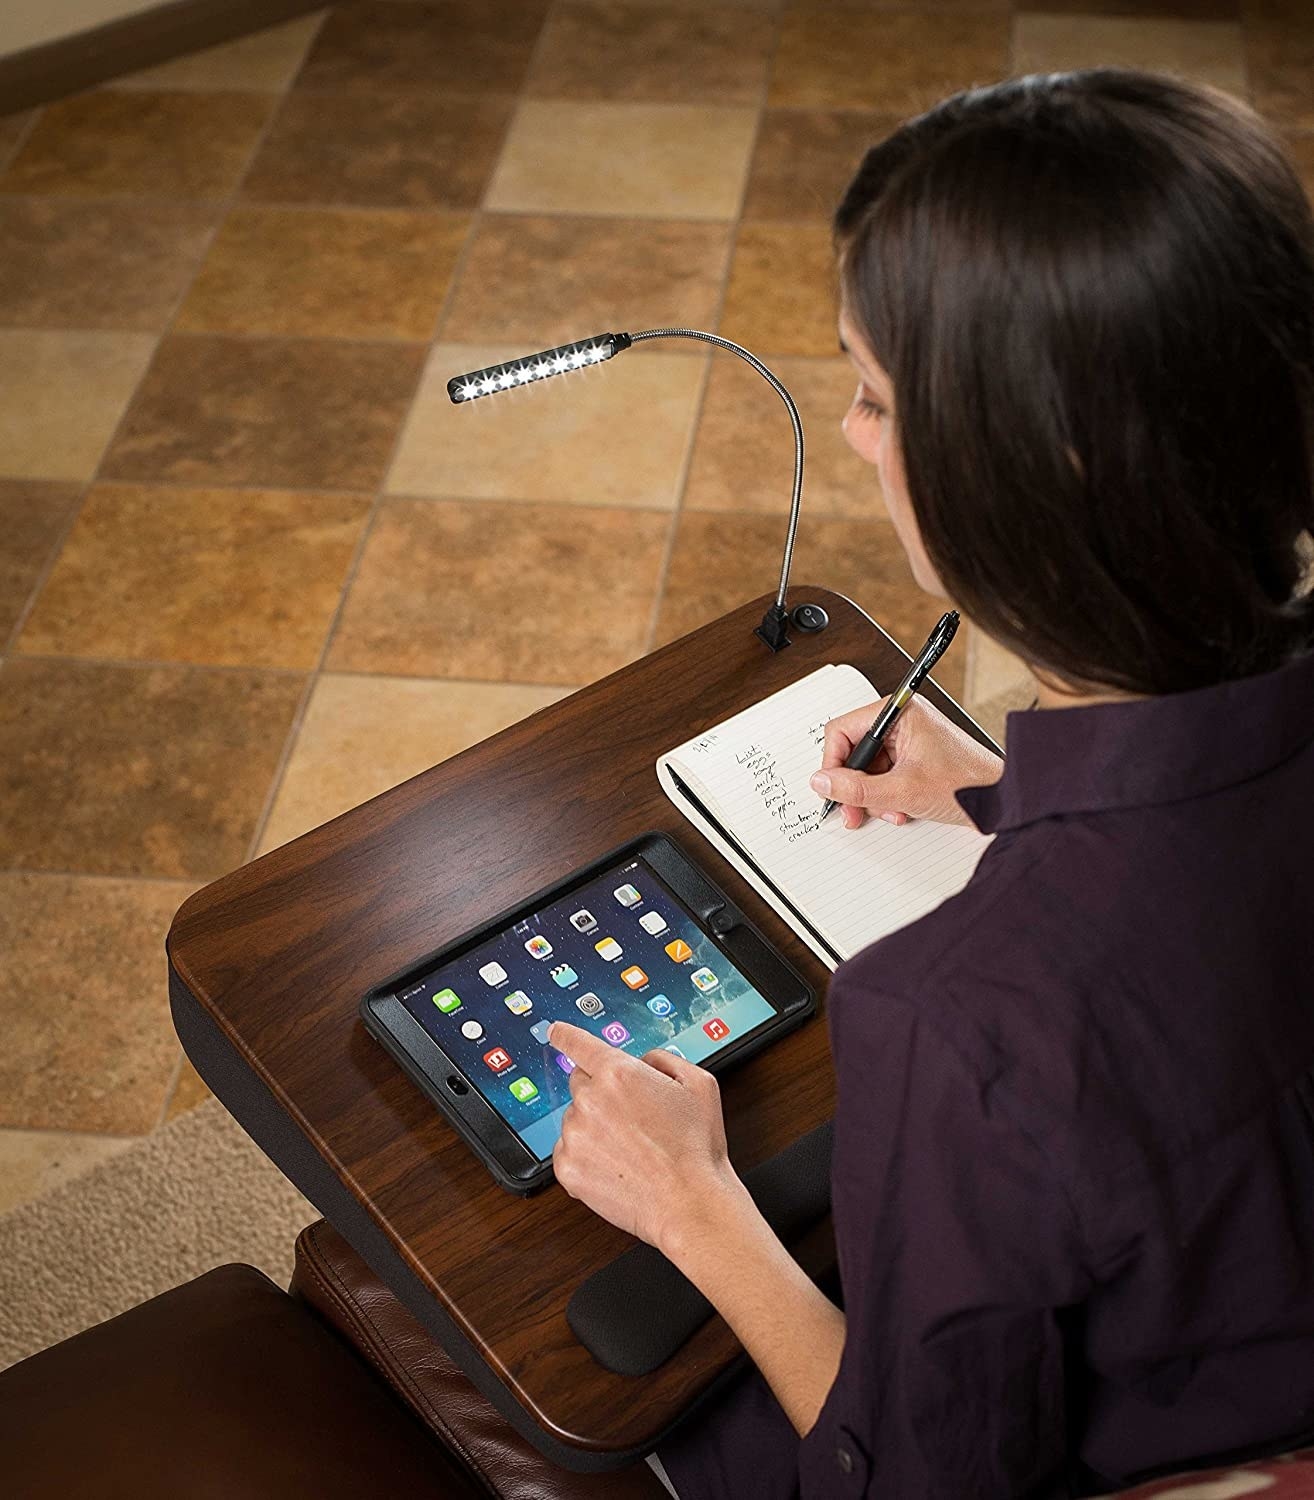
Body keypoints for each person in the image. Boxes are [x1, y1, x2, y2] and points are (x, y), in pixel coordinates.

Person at [546, 69, 1314, 1499]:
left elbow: (917, 1474)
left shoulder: (955, 1021)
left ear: (1024, 473)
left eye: (873, 395)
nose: (849, 436)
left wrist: (697, 1207)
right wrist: (996, 789)